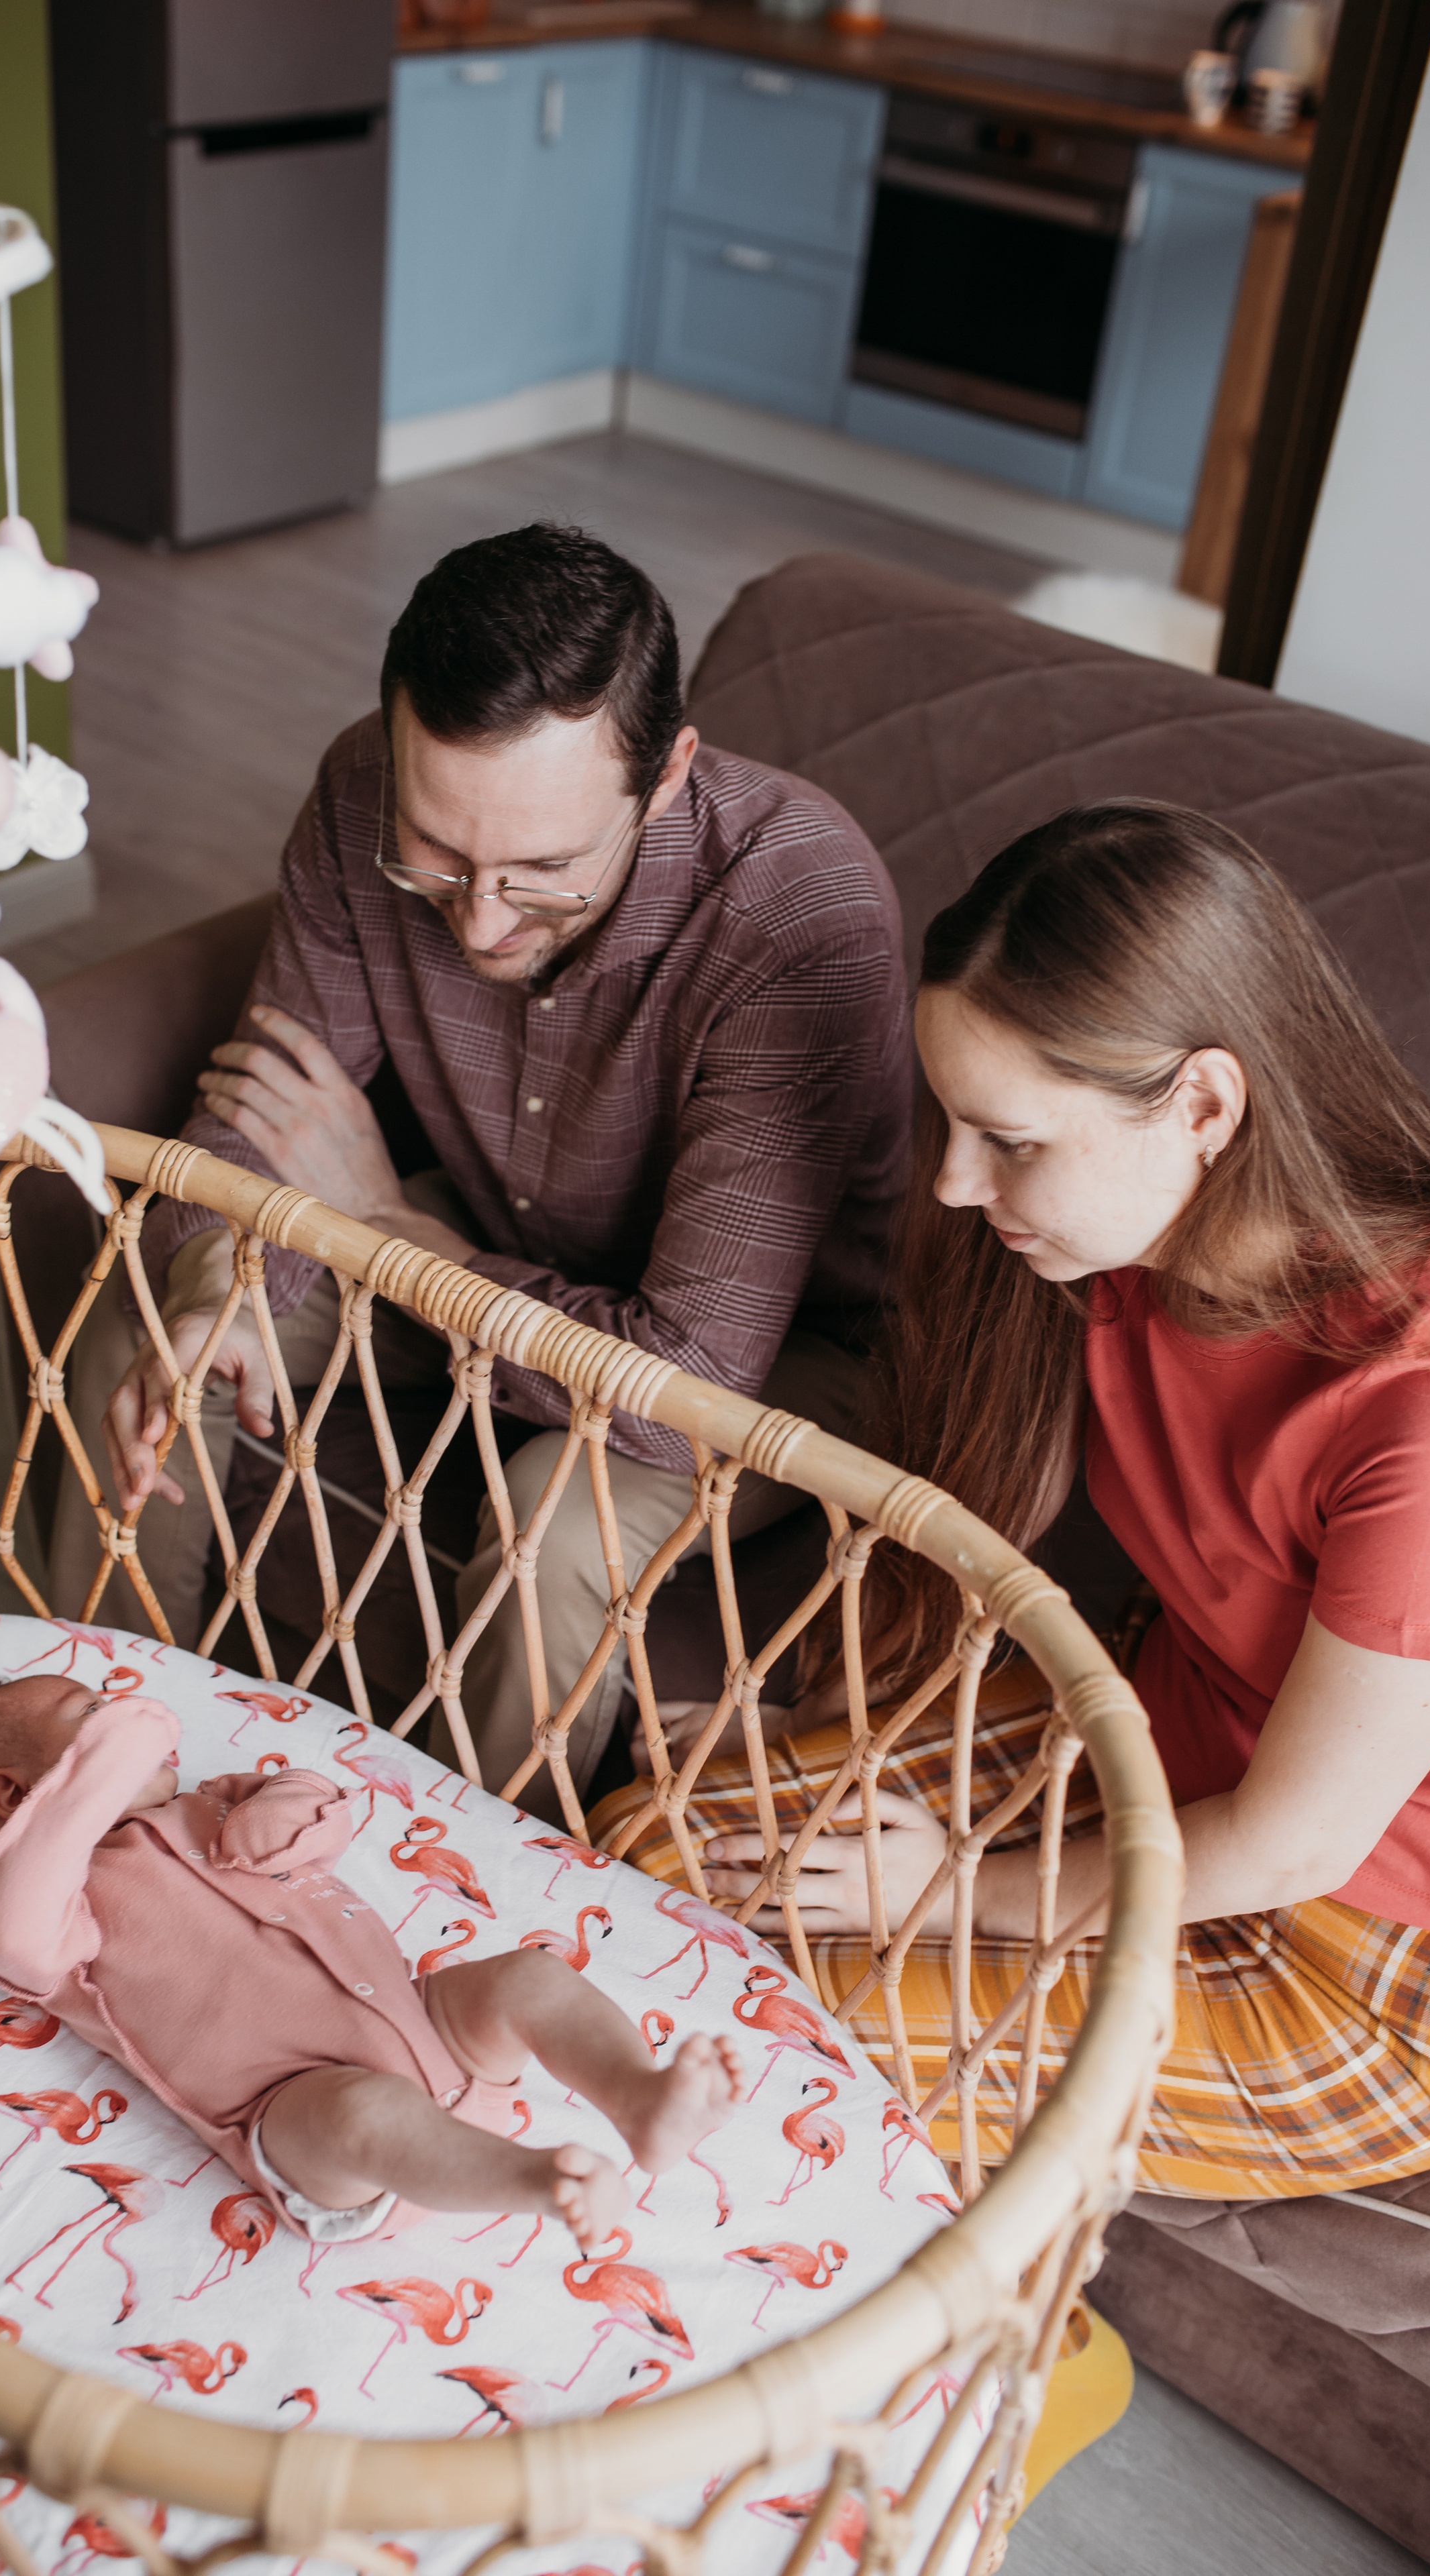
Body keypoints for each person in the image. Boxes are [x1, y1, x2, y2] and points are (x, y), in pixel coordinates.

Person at [597, 800, 1430, 2199]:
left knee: (766, 2051)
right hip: (1150, 1751)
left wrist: (951, 1893)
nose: (951, 1181)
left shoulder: (1426, 1412)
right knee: (655, 1850)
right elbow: (960, 1514)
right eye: (950, 1122)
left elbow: (1291, 1841)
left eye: (1007, 1138)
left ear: (1203, 1107)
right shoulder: (1115, 1249)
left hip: (1363, 1939)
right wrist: (827, 1729)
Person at [52, 525, 911, 1817]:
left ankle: (473, 1888)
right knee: (163, 1328)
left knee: (553, 1525)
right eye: (438, 859)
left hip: (775, 1352)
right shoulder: (363, 787)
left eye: (545, 873)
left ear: (669, 774)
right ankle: (92, 1774)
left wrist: (395, 1232)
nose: (483, 919)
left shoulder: (798, 910)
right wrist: (219, 1298)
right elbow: (258, 1115)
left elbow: (677, 1386)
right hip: (498, 1243)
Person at [0, 1676, 744, 2250]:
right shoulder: (58, 1910)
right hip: (298, 2111)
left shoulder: (205, 1804)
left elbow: (320, 1805)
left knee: (530, 1978)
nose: (128, 1713)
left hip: (422, 2018)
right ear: (19, 1795)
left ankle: (637, 2096)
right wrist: (95, 1777)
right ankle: (534, 2179)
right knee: (364, 2110)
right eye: (92, 1718)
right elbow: (17, 1936)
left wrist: (280, 1811)